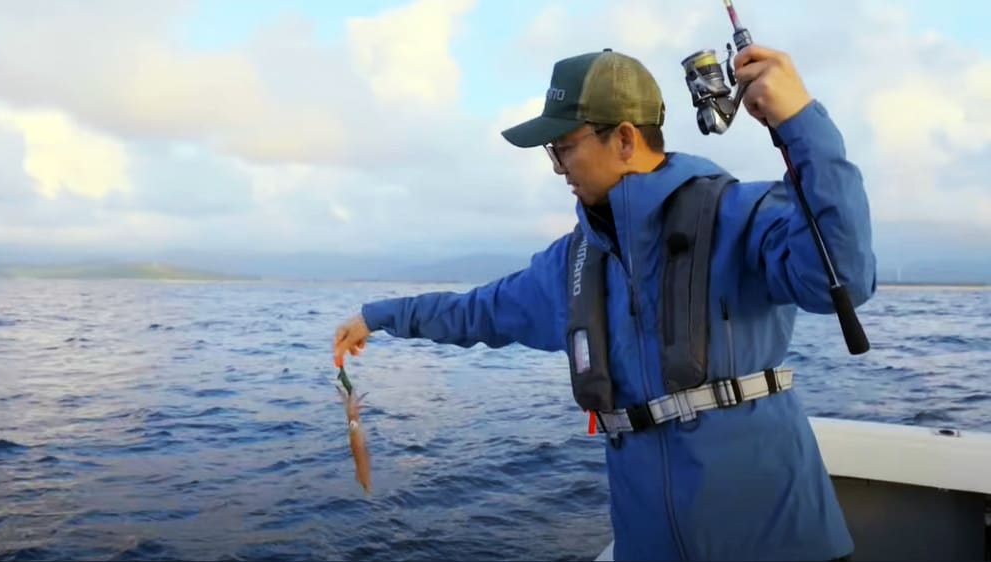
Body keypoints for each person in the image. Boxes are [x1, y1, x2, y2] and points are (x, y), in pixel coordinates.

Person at [332, 43, 875, 561]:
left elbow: (846, 281)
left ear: (622, 138)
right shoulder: (570, 263)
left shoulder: (741, 214)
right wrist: (377, 318)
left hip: (775, 544)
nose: (556, 167)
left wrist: (801, 121)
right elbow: (477, 311)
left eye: (563, 146)